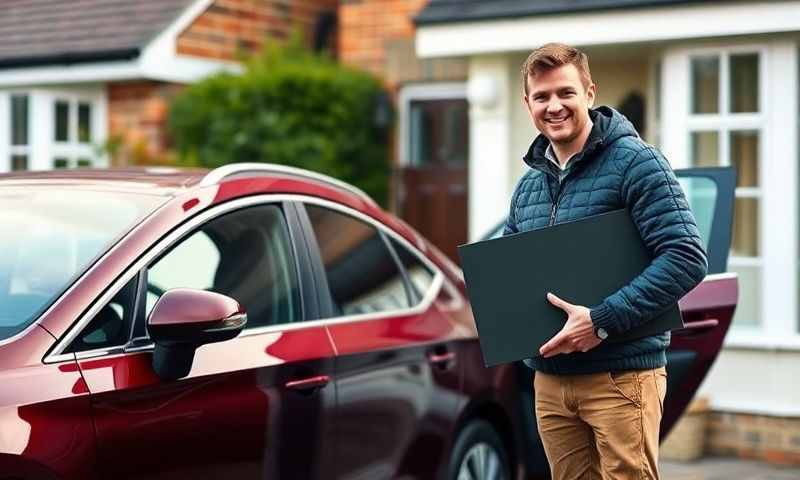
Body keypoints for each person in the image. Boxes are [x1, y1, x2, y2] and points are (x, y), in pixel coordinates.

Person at [503, 43, 708, 479]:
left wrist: (600, 320)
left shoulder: (637, 163)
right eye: (541, 97)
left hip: (621, 377)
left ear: (590, 93)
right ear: (527, 104)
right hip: (551, 382)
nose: (554, 106)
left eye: (565, 93)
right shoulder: (527, 188)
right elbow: (511, 275)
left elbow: (686, 257)